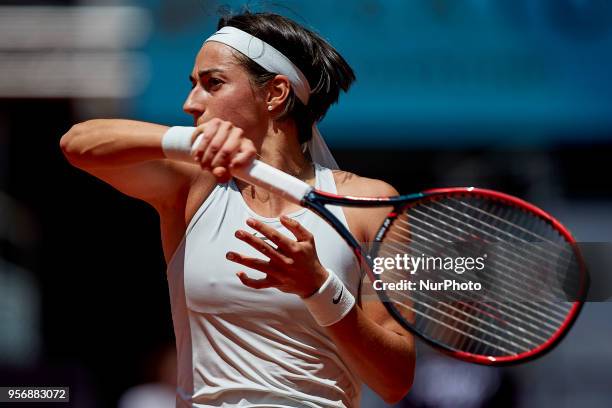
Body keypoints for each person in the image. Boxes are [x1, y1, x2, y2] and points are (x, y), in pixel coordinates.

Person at [60, 11, 415, 407]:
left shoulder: (369, 205)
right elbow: (78, 144)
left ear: (275, 93)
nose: (190, 102)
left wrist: (317, 287)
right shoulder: (192, 183)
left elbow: (395, 380)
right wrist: (187, 143)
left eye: (213, 84)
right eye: (193, 85)